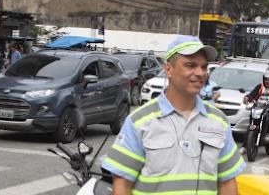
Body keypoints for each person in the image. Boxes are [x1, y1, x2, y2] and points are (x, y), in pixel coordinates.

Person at [102, 36, 246, 195]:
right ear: (169, 69)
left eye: (204, 67)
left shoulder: (219, 121)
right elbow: (122, 186)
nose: (200, 73)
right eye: (190, 65)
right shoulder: (140, 121)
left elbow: (227, 183)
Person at [240, 72, 269, 154]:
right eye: (266, 80)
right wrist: (247, 98)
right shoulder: (260, 87)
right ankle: (244, 146)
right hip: (259, 108)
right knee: (251, 125)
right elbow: (251, 95)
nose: (267, 82)